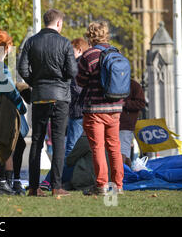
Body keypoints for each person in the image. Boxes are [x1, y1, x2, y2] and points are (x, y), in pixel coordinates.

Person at [18, 9, 78, 197]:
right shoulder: (64, 43)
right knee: (59, 140)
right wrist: (62, 80)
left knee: (37, 140)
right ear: (59, 23)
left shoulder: (31, 41)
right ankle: (56, 186)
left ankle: (34, 187)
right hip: (60, 97)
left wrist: (35, 82)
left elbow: (22, 69)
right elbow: (72, 71)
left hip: (40, 96)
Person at [76, 21, 125, 196]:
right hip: (115, 108)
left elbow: (80, 82)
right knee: (114, 147)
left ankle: (102, 185)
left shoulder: (89, 55)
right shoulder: (116, 52)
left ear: (90, 36)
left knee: (98, 147)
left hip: (95, 109)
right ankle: (118, 186)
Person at [40, 37, 90, 190]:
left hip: (78, 113)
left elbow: (76, 89)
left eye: (71, 50)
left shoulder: (77, 65)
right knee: (75, 150)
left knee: (71, 150)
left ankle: (51, 180)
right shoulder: (81, 65)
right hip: (80, 113)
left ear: (79, 50)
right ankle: (56, 180)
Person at [0, 30, 28, 196]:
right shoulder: (0, 68)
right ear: (7, 46)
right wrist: (22, 107)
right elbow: (11, 91)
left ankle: (8, 182)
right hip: (6, 112)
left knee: (8, 146)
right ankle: (8, 182)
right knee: (12, 146)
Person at [119, 79, 146, 167]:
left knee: (122, 153)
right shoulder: (108, 82)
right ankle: (124, 174)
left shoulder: (133, 85)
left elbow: (141, 103)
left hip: (125, 125)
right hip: (112, 123)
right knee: (122, 153)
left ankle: (123, 175)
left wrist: (125, 104)